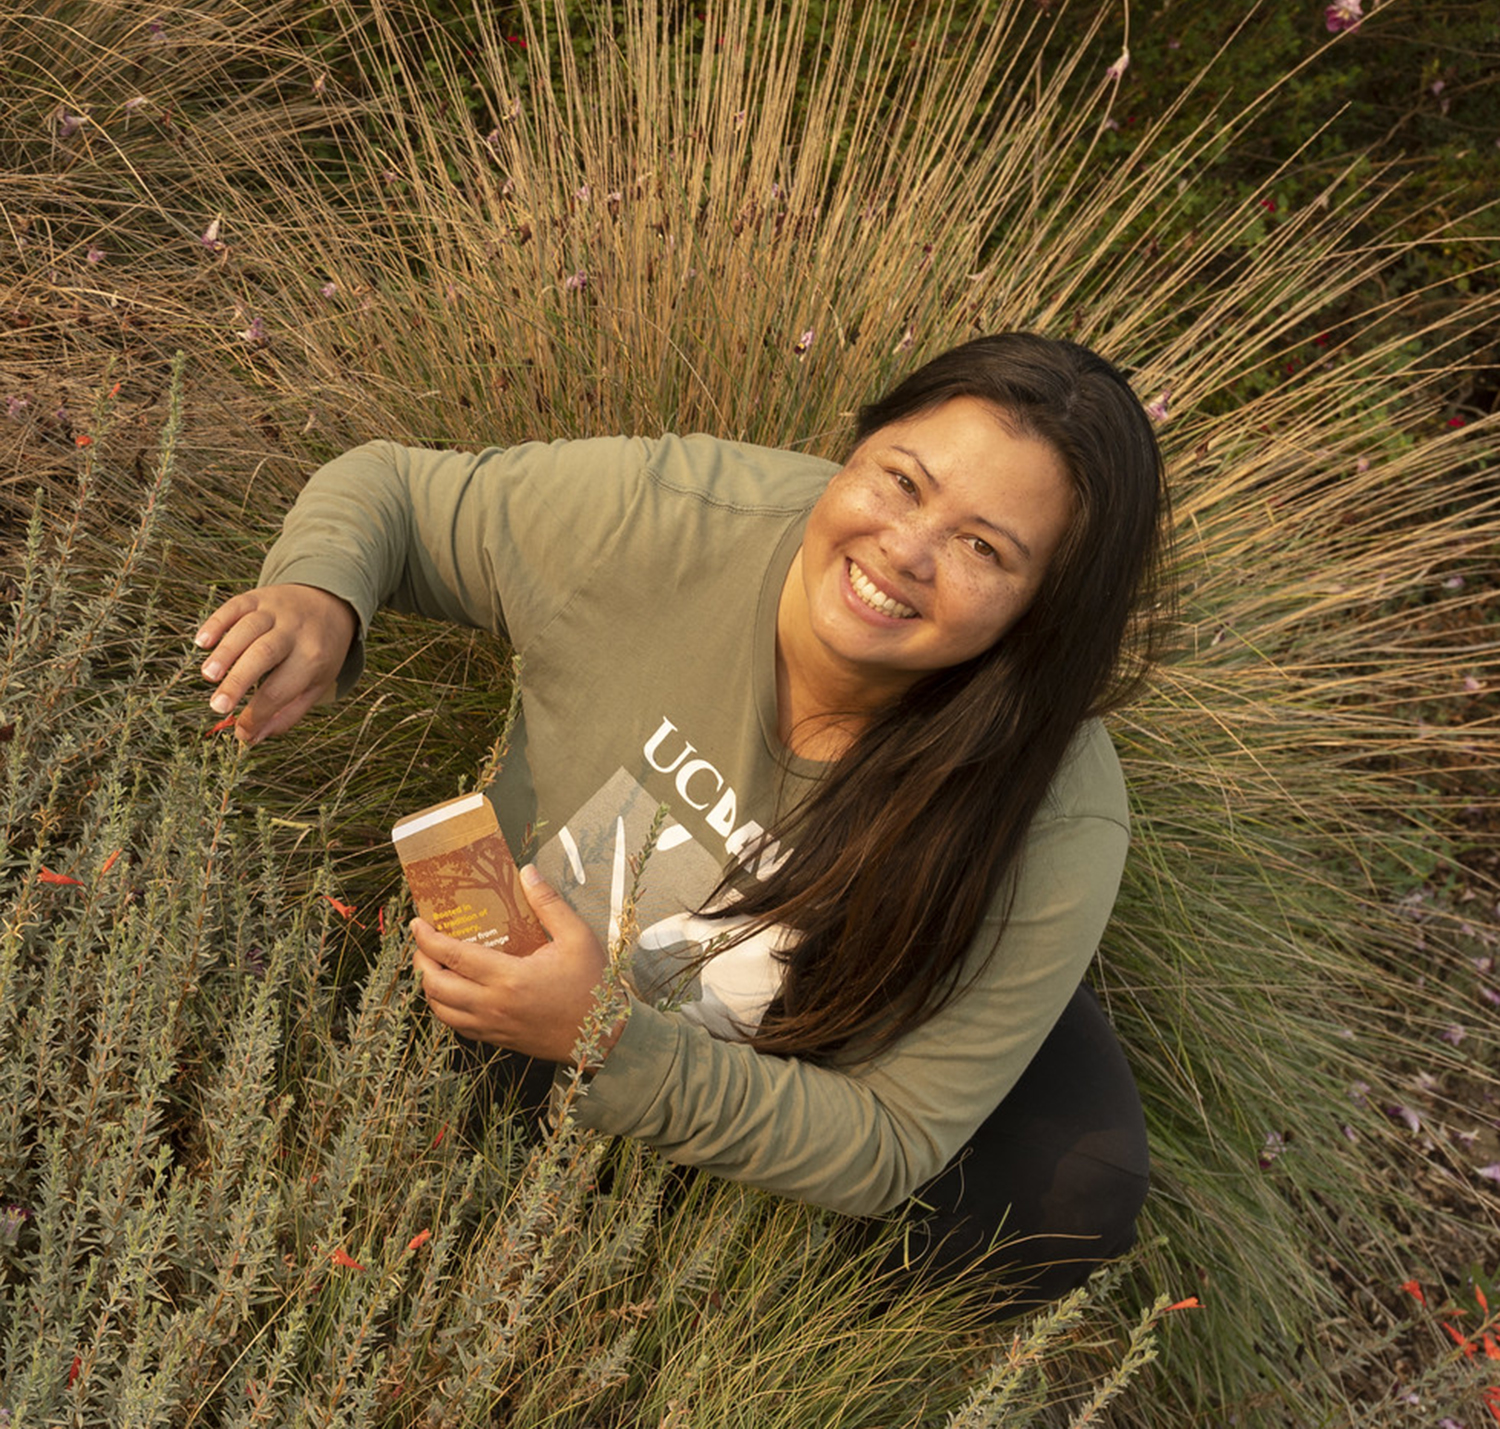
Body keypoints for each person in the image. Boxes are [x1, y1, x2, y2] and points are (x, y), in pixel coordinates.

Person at [195, 332, 1170, 1315]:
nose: (905, 553)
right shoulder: (669, 517)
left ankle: (799, 1331)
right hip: (555, 963)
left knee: (1073, 1181)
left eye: (982, 548)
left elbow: (889, 1142)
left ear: (1046, 611)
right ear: (856, 449)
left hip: (862, 981)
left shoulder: (1060, 814)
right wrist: (317, 593)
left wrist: (608, 1043)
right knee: (454, 1114)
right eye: (902, 481)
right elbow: (393, 494)